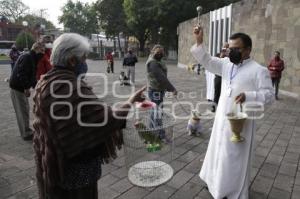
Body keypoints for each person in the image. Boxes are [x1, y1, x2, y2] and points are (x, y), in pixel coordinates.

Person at [32, 33, 146, 199]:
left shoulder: (45, 81)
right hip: (75, 167)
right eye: (83, 58)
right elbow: (105, 119)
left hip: (53, 162)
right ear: (72, 60)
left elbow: (90, 114)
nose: (85, 63)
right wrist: (130, 100)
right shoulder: (72, 87)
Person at [191, 28, 274, 199]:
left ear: (248, 50)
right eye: (230, 48)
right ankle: (215, 185)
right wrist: (199, 42)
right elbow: (207, 60)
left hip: (240, 124)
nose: (232, 51)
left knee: (234, 158)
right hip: (222, 119)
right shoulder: (226, 65)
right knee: (218, 152)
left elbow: (269, 95)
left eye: (236, 49)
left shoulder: (259, 70)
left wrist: (249, 96)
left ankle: (231, 191)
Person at [9, 42, 45, 141]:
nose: (43, 53)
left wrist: (37, 87)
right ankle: (26, 133)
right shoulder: (28, 57)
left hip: (19, 87)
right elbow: (22, 73)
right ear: (36, 48)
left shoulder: (32, 58)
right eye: (42, 50)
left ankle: (27, 131)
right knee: (22, 111)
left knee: (25, 109)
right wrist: (26, 88)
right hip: (18, 88)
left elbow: (32, 76)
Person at [146, 44, 177, 140]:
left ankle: (151, 131)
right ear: (152, 52)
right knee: (158, 113)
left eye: (161, 52)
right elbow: (161, 78)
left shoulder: (158, 60)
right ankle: (160, 135)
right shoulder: (153, 63)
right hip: (155, 91)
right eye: (158, 52)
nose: (160, 54)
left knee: (154, 111)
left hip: (158, 90)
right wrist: (172, 89)